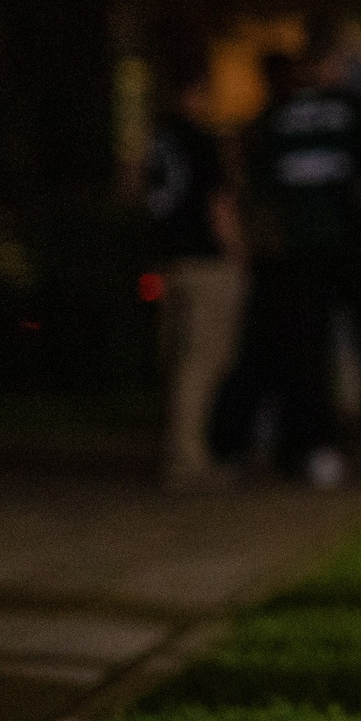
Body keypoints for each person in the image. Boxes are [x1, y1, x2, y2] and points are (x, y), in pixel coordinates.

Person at [247, 29, 361, 491]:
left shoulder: (276, 116)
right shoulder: (351, 110)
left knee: (311, 353)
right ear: (330, 64)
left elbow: (259, 187)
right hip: (354, 249)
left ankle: (319, 453)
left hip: (298, 255)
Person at [142, 58, 244, 489]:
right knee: (203, 359)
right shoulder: (200, 140)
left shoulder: (158, 142)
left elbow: (141, 192)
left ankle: (182, 450)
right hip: (205, 262)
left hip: (169, 262)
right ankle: (187, 460)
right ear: (199, 90)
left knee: (179, 358)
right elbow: (217, 203)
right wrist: (238, 250)